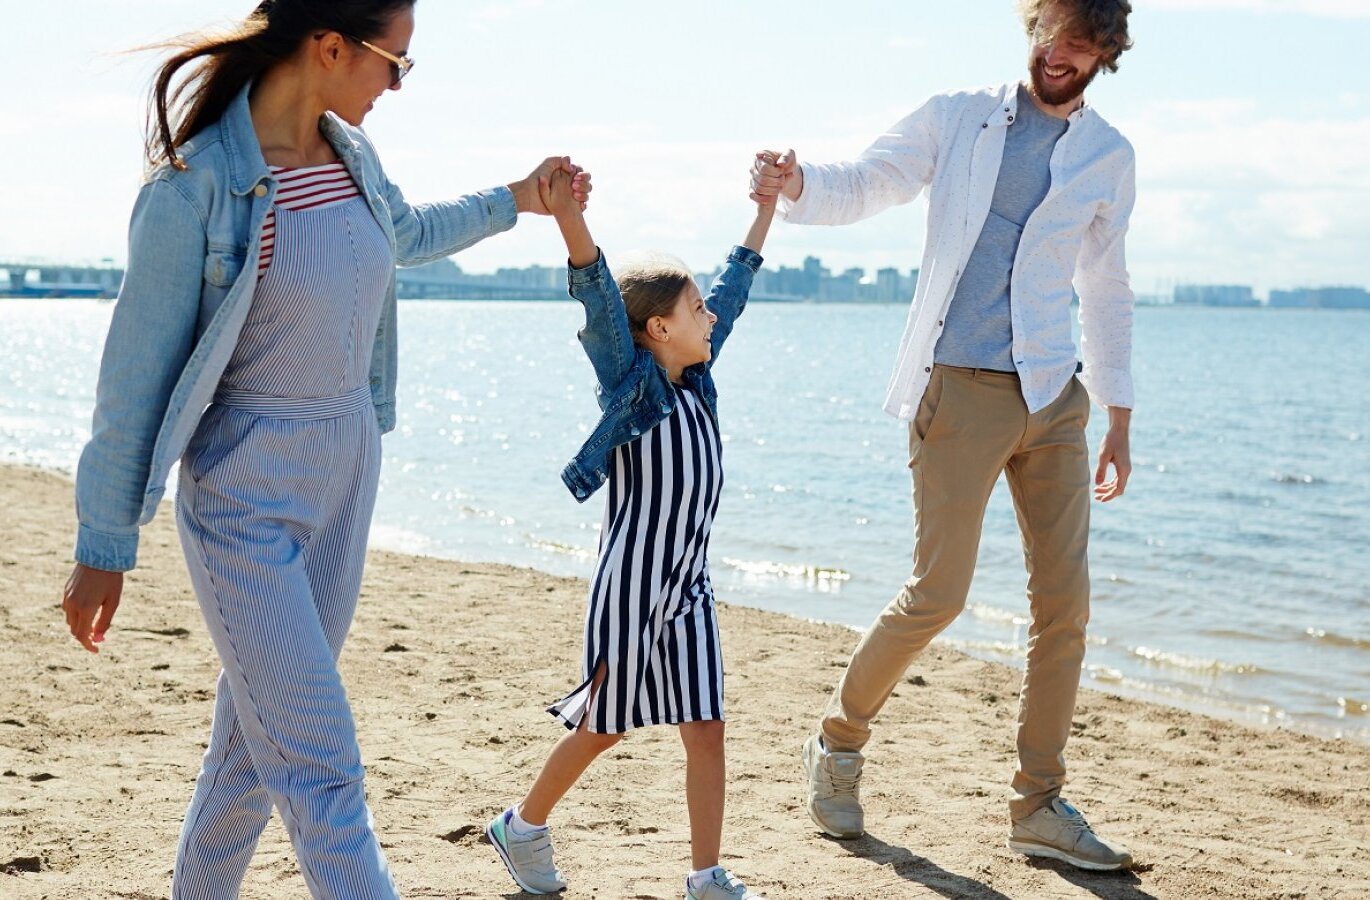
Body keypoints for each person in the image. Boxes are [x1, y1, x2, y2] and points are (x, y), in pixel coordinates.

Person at [59, 2, 589, 896]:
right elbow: (133, 380)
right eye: (394, 62)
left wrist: (521, 199)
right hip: (244, 500)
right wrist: (103, 545)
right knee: (319, 764)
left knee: (249, 761)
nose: (396, 84)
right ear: (330, 46)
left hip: (348, 473)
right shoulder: (192, 189)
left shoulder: (351, 153)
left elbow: (407, 232)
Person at [751, 0, 1138, 871]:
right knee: (939, 593)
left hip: (1056, 394)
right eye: (1053, 34)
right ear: (1034, 29)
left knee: (1064, 606)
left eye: (1081, 43)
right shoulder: (960, 116)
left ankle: (1037, 804)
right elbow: (872, 179)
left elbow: (1107, 285)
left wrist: (1118, 413)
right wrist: (798, 182)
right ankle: (837, 744)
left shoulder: (1109, 156)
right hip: (959, 390)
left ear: (1104, 54)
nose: (1061, 54)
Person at [484, 163, 776, 899]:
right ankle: (520, 826)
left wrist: (763, 211)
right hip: (633, 588)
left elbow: (736, 289)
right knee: (605, 725)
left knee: (706, 725)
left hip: (691, 587)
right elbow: (593, 286)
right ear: (657, 329)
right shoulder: (634, 385)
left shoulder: (697, 383)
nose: (712, 317)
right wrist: (566, 216)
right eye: (697, 309)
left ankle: (706, 876)